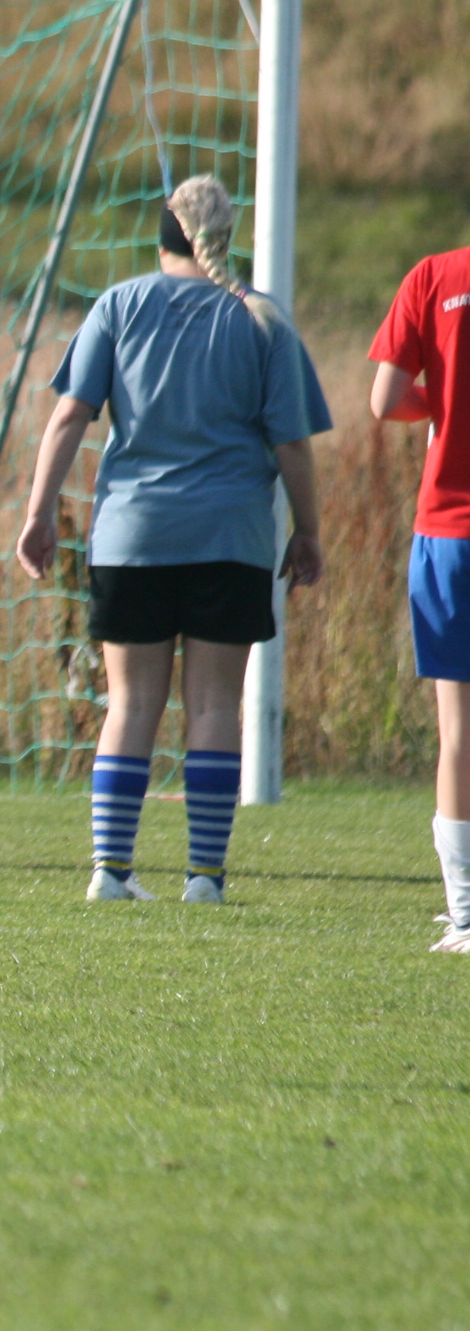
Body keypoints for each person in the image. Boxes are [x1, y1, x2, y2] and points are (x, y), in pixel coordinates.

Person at [13, 175, 328, 905]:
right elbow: (293, 444)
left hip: (133, 535)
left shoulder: (119, 305)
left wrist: (38, 513)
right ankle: (204, 878)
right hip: (231, 537)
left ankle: (110, 870)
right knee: (214, 705)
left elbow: (69, 416)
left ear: (162, 238)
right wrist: (308, 531)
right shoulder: (262, 319)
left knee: (130, 704)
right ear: (225, 239)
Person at [365, 244, 470, 952]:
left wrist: (444, 400)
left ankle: (465, 913)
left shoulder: (434, 276)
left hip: (451, 531)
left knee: (458, 731)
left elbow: (384, 399)